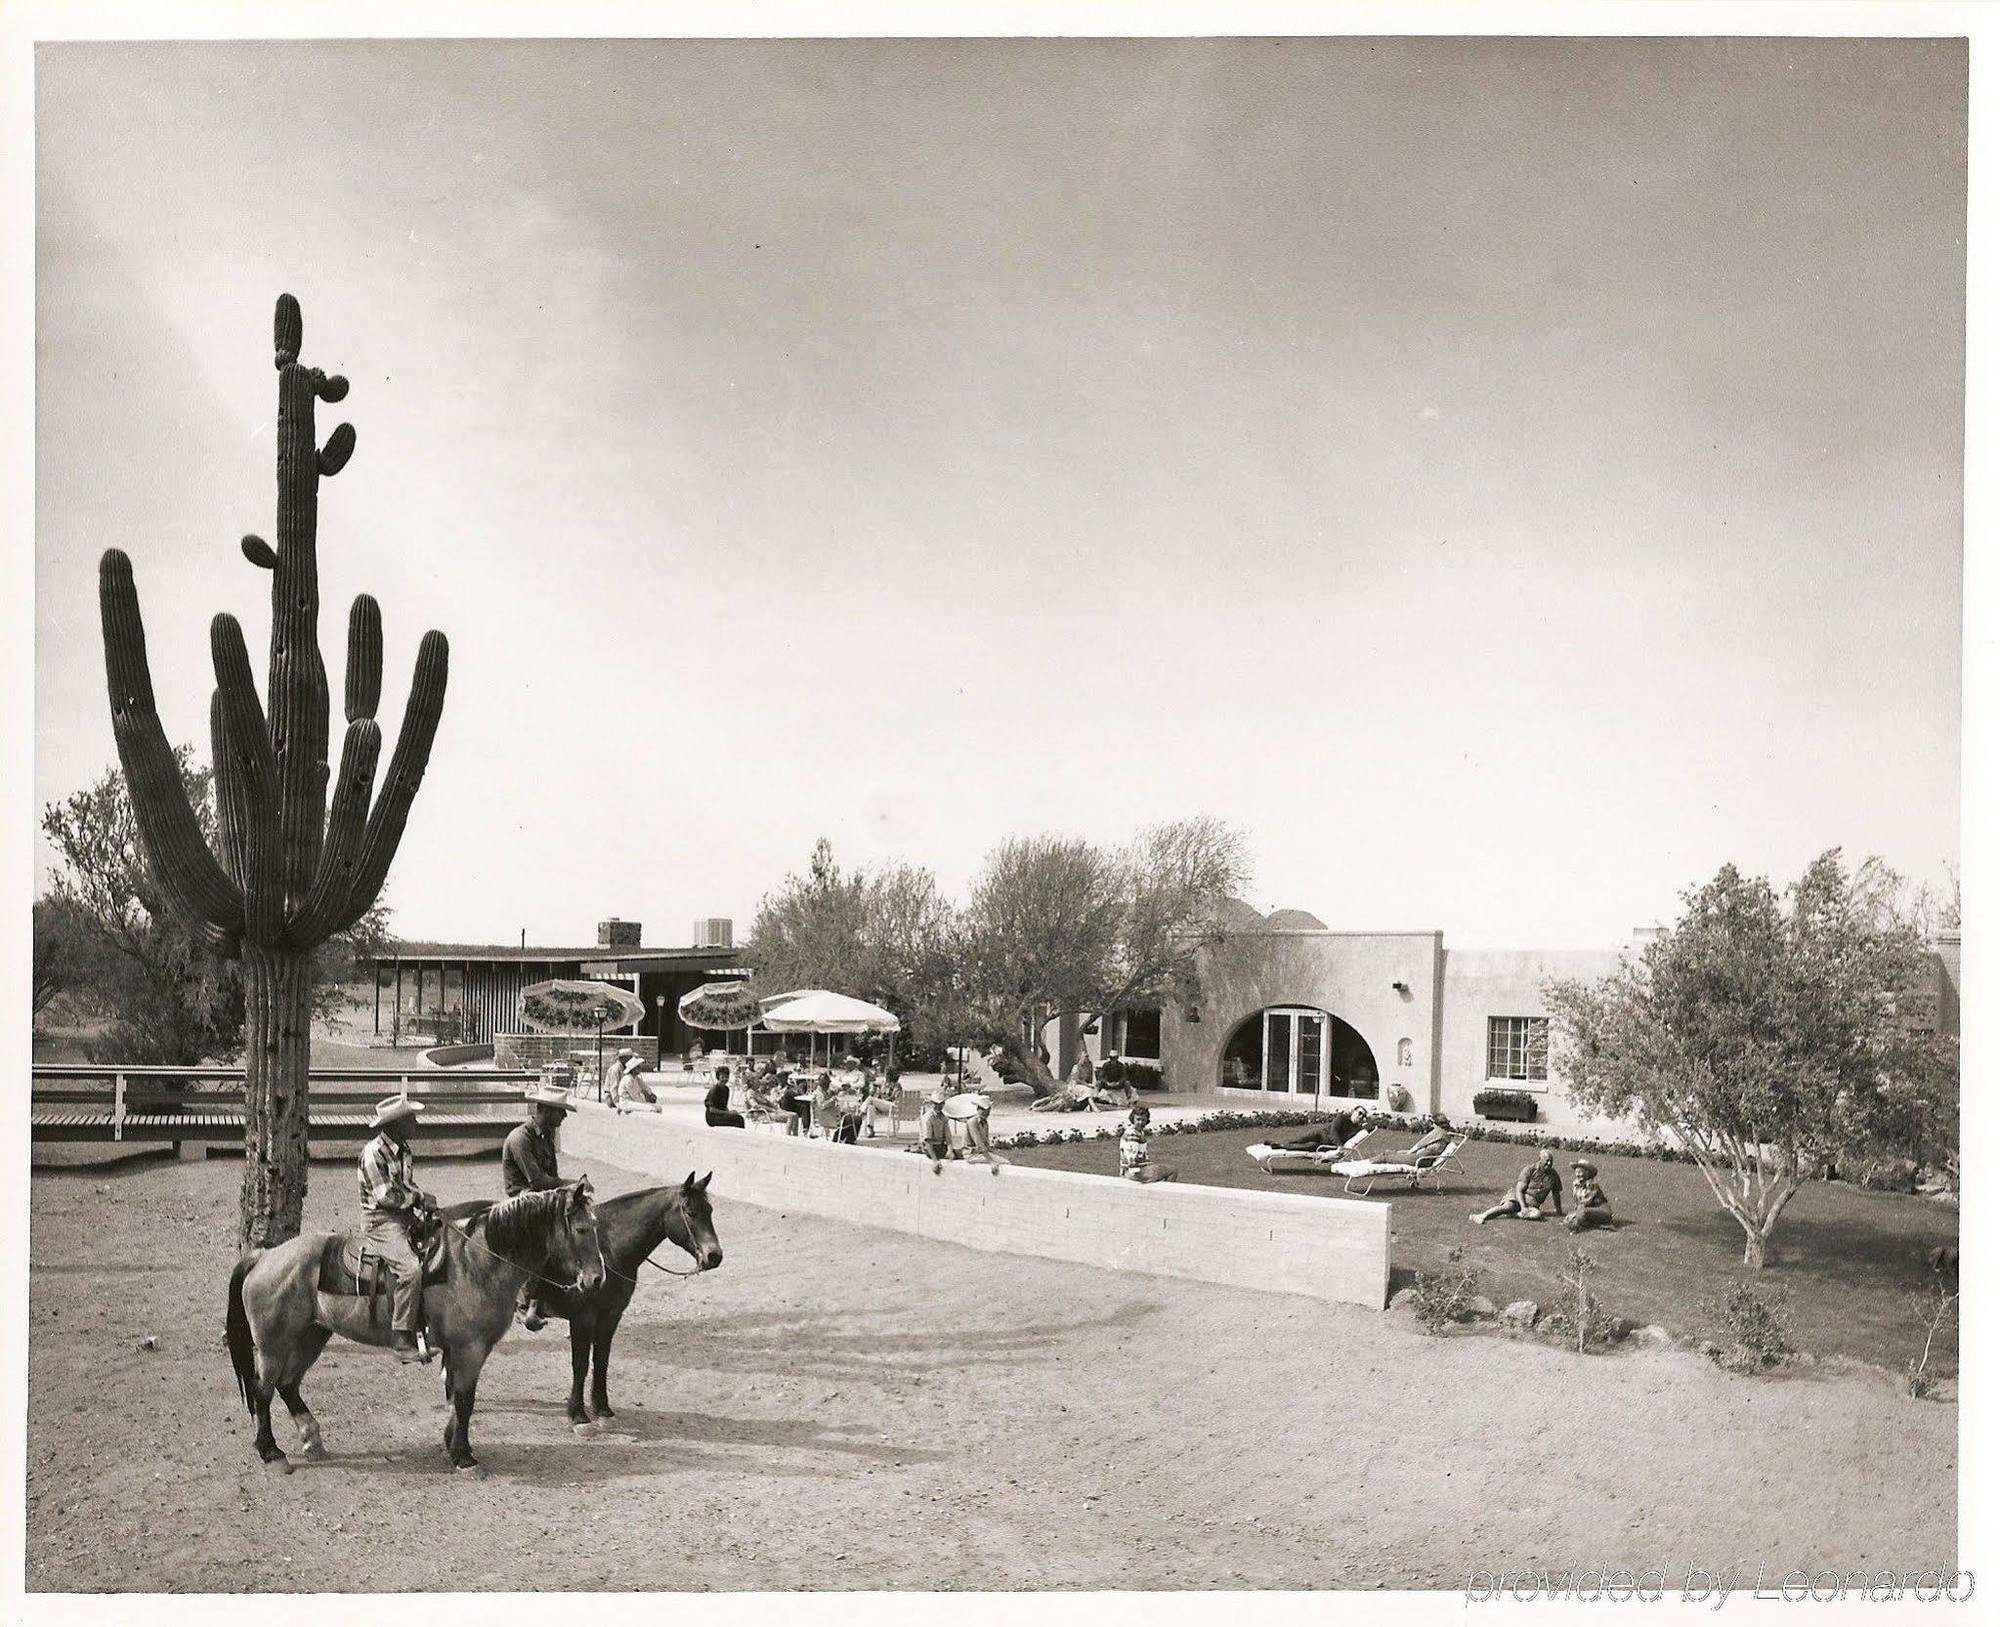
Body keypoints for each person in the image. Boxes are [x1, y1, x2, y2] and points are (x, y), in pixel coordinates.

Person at [358, 1092, 438, 1362]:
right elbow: (386, 1197)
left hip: (403, 1216)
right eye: (411, 1119)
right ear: (395, 1125)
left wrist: (421, 1197)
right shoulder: (372, 1153)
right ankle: (401, 1337)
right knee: (410, 1270)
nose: (416, 1123)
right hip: (380, 1221)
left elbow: (405, 1186)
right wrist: (418, 1198)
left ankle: (430, 1322)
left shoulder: (403, 1149)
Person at [501, 1082, 571, 1329]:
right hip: (521, 1201)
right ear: (546, 1110)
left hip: (540, 1198)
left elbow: (551, 1178)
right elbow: (538, 1180)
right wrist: (570, 1185)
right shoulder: (520, 1138)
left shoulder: (546, 1137)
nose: (563, 1116)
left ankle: (548, 1300)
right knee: (540, 1243)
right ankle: (524, 1305)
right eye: (560, 1111)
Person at [1471, 1148, 1565, 1224]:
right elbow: (1519, 1190)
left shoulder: (1553, 1175)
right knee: (1508, 1207)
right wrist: (1523, 1206)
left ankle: (1515, 1214)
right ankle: (1481, 1215)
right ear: (1540, 1160)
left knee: (1537, 1214)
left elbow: (1556, 1194)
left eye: (1551, 1161)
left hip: (1533, 1204)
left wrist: (1559, 1211)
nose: (1549, 1164)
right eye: (1547, 1161)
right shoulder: (1529, 1169)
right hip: (1517, 1198)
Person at [1119, 1103, 1178, 1184]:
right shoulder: (1132, 1135)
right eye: (1138, 1119)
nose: (1140, 1122)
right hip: (1136, 1172)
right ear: (1133, 1119)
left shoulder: (1136, 1132)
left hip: (1131, 1170)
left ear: (1147, 1120)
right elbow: (1131, 1158)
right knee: (1173, 1170)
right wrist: (1141, 1174)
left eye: (1143, 1120)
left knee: (1160, 1170)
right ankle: (1166, 1193)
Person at [1276, 1105, 1373, 1153]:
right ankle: (1280, 1144)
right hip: (1321, 1134)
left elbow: (1372, 1126)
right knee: (1300, 1139)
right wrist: (1339, 1145)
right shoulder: (1341, 1117)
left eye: (1363, 1115)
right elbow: (1333, 1131)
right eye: (1359, 1113)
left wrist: (1367, 1118)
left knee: (1308, 1146)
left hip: (1326, 1145)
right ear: (1353, 1111)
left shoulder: (1357, 1129)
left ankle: (1282, 1147)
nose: (1360, 1116)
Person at [1564, 1160, 1612, 1231]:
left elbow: (1586, 1203)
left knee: (1581, 1213)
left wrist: (1574, 1214)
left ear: (1587, 1173)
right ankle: (1588, 1224)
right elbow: (1577, 1203)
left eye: (1580, 1172)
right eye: (1576, 1172)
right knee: (1569, 1218)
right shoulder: (1576, 1185)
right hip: (1587, 1210)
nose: (1578, 1175)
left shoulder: (1592, 1185)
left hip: (1601, 1211)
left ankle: (1592, 1226)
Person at [704, 1065, 745, 1129]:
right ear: (718, 1077)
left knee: (738, 1117)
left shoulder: (726, 1089)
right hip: (712, 1116)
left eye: (726, 1077)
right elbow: (712, 1109)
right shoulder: (714, 1089)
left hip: (720, 1113)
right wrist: (728, 1113)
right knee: (738, 1119)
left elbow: (724, 1106)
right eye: (722, 1077)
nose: (725, 1079)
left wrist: (731, 1112)